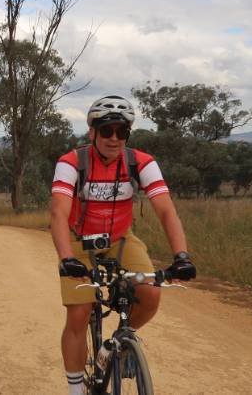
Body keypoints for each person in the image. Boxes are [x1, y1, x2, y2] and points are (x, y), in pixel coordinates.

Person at [50, 95, 197, 395]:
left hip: (119, 239)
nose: (114, 138)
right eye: (106, 130)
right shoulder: (71, 163)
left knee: (150, 293)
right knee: (79, 312)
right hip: (79, 242)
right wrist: (67, 258)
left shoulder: (141, 163)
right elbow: (58, 213)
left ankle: (115, 346)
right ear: (92, 132)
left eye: (122, 132)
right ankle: (76, 389)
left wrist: (181, 256)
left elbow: (166, 209)